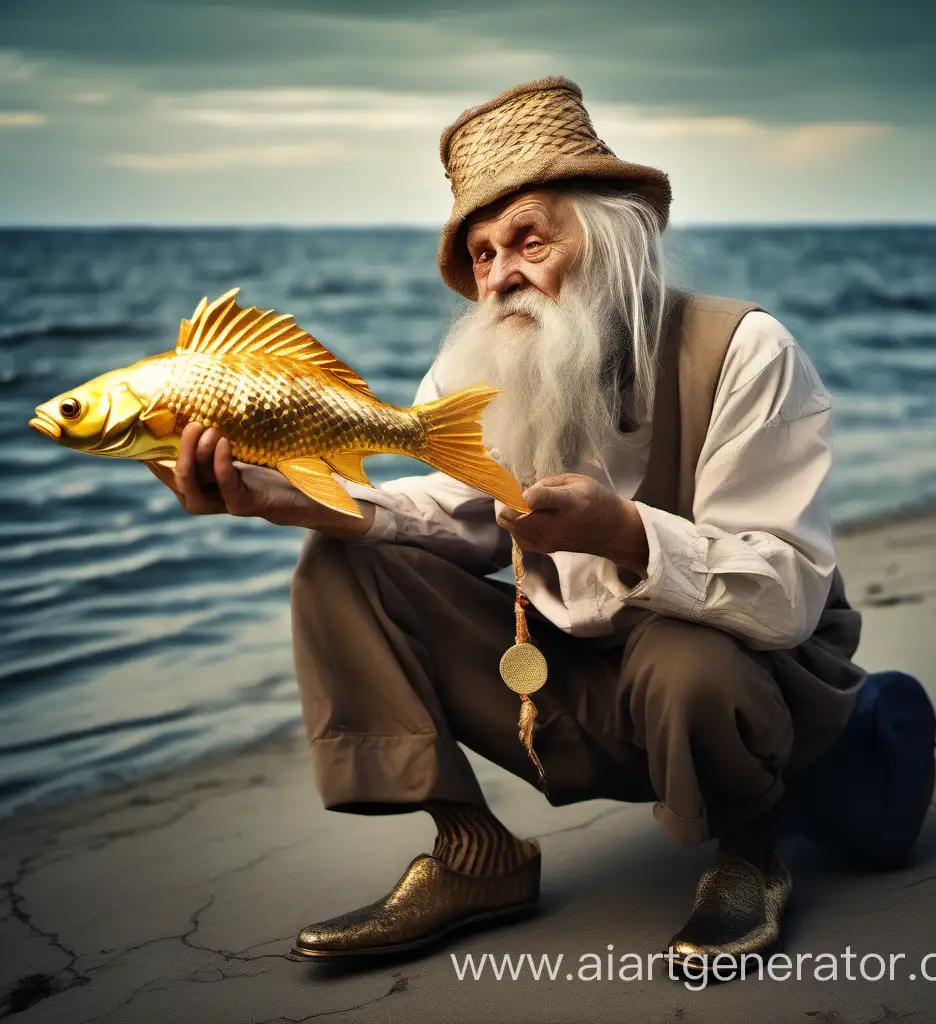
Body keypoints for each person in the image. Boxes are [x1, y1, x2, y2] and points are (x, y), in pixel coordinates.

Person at [149, 76, 875, 978]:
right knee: (343, 560)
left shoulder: (745, 350)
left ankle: (750, 850)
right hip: (571, 695)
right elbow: (455, 522)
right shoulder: (482, 360)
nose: (503, 276)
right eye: (484, 255)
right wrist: (294, 496)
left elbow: (788, 596)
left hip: (743, 690)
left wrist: (625, 533)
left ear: (609, 235)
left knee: (688, 658)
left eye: (530, 237)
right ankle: (474, 853)